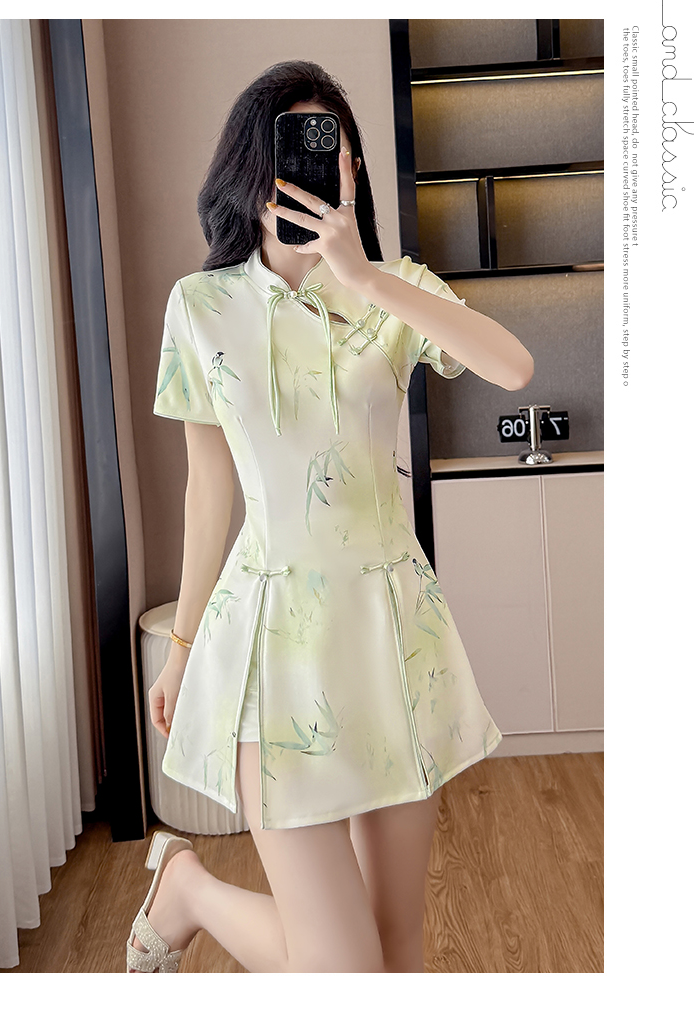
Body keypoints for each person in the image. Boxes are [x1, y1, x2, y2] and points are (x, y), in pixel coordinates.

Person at [127, 60, 534, 974]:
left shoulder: (395, 290)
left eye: (334, 152)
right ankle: (190, 890)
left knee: (396, 951)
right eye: (294, 151)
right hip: (272, 650)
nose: (317, 171)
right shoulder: (202, 307)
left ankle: (187, 888)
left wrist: (368, 278)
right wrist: (183, 645)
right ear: (251, 169)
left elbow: (513, 368)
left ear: (352, 172)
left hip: (393, 640)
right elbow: (208, 487)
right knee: (343, 971)